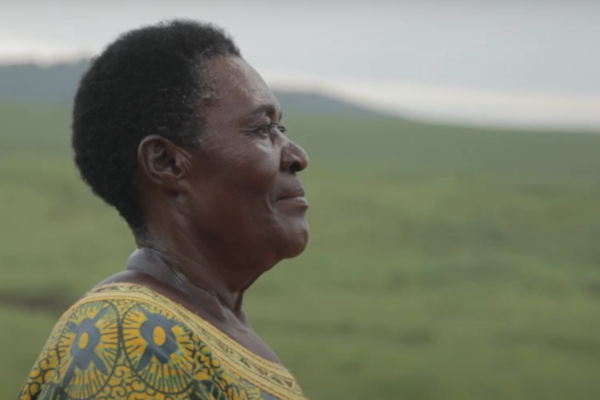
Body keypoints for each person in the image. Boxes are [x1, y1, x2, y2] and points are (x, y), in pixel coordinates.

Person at [19, 20, 310, 400]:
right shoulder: (133, 339)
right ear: (168, 163)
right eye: (262, 129)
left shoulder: (206, 326)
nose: (297, 156)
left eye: (281, 127)